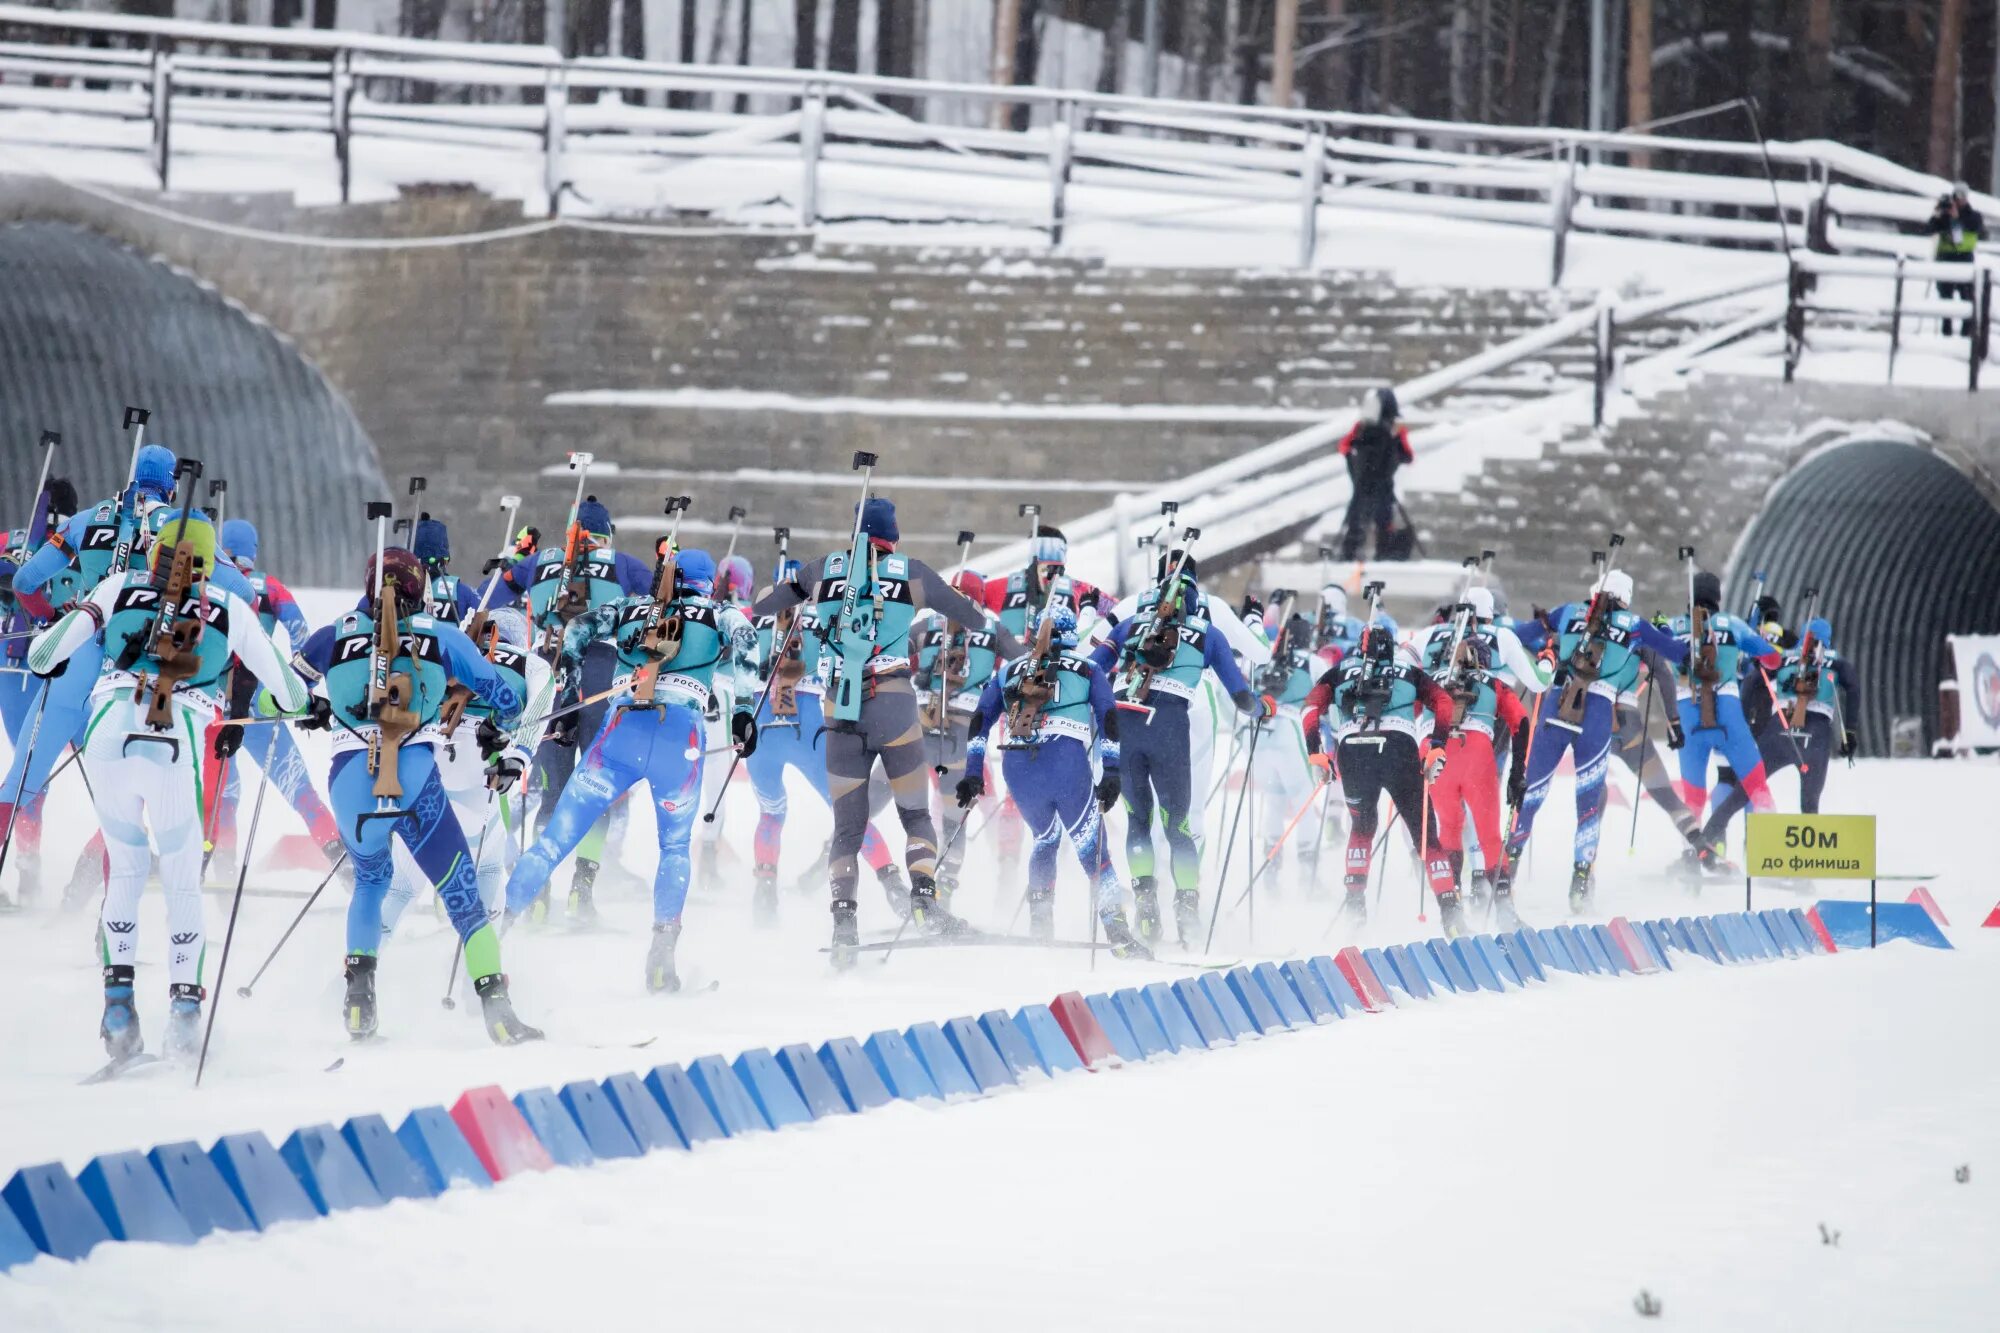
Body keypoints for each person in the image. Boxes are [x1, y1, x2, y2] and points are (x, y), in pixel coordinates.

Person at [28, 509, 309, 1061]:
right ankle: (184, 1016)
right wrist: (274, 701)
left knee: (126, 870)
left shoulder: (117, 585)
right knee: (181, 881)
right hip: (176, 743)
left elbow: (42, 658)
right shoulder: (230, 609)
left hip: (109, 734)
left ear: (154, 551)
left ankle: (117, 1008)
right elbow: (294, 696)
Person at [751, 498, 1020, 960]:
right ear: (891, 535)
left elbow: (763, 604)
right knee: (915, 814)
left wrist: (800, 593)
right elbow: (974, 617)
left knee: (847, 830)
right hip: (894, 703)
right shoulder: (910, 571)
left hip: (840, 709)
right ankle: (924, 903)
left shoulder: (821, 570)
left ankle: (843, 924)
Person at [295, 546, 538, 1044]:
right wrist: (495, 723)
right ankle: (497, 1010)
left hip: (349, 780)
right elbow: (506, 697)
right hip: (417, 778)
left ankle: (359, 1004)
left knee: (371, 880)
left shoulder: (329, 635)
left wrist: (316, 706)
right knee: (464, 896)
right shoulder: (441, 634)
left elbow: (273, 695)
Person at [504, 547, 758, 994]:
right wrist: (741, 711)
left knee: (554, 840)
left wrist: (566, 674)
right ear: (704, 582)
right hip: (680, 738)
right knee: (674, 847)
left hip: (620, 732)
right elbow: (748, 643)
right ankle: (662, 956)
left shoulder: (632, 606)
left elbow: (579, 626)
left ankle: (494, 940)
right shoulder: (720, 613)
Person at [1090, 552, 1266, 948]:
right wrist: (1262, 708)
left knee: (1138, 822)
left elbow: (1091, 666)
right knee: (1178, 825)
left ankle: (1147, 913)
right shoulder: (1208, 631)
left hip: (1123, 722)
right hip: (1169, 727)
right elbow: (1240, 696)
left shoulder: (1133, 624)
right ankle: (1187, 914)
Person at [957, 602, 1139, 954]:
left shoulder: (1009, 669)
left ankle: (1041, 926)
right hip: (1065, 760)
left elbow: (980, 719)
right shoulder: (1088, 669)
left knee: (1045, 838)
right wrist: (1113, 772)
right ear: (1071, 638)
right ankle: (1119, 934)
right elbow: (1109, 718)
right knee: (1092, 847)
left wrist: (972, 771)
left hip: (1018, 767)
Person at [503, 495, 650, 921]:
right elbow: (662, 603)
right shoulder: (621, 563)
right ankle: (581, 891)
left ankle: (537, 895)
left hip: (549, 673)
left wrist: (520, 557)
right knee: (597, 792)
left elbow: (496, 590)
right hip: (601, 674)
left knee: (550, 792)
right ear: (606, 535)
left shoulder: (543, 561)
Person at [1507, 570, 1688, 911]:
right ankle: (1580, 883)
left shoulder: (1567, 611)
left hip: (1555, 702)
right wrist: (1662, 627)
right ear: (1626, 597)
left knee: (1530, 792)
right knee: (1589, 800)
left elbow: (1519, 636)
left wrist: (1545, 647)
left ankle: (1505, 875)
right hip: (1599, 709)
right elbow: (1677, 654)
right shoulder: (1635, 624)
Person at [743, 560, 906, 924]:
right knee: (849, 814)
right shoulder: (828, 617)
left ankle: (765, 890)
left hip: (761, 726)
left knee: (770, 813)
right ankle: (892, 884)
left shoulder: (748, 618)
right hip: (810, 726)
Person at [202, 517, 346, 882]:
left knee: (225, 793)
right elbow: (301, 632)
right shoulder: (269, 587)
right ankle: (345, 868)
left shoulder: (214, 581)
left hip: (217, 704)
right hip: (261, 705)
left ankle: (222, 873)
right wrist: (300, 693)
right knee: (300, 790)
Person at [1299, 617, 1465, 935]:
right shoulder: (1408, 671)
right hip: (1399, 748)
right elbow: (1444, 701)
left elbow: (1309, 709)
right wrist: (1438, 745)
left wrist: (1315, 751)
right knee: (1424, 834)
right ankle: (1450, 910)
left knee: (1362, 827)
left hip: (1353, 750)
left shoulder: (1340, 672)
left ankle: (1354, 904)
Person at [1701, 616, 1859, 848]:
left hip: (1779, 729)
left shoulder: (1785, 657)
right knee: (1809, 804)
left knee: (1744, 790)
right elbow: (1854, 687)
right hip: (1816, 733)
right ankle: (1805, 869)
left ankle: (1706, 839)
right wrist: (1851, 732)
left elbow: (1754, 681)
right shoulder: (1836, 661)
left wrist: (1743, 718)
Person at [1665, 571, 1783, 849]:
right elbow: (1773, 660)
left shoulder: (1672, 625)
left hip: (1687, 713)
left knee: (1693, 796)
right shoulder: (1732, 623)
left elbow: (1645, 660)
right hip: (1728, 711)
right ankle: (1773, 854)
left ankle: (1690, 856)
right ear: (1718, 597)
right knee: (1757, 786)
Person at [1422, 632, 1529, 924]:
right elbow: (1521, 721)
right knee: (1489, 835)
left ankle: (1451, 905)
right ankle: (1505, 910)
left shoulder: (1432, 678)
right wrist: (1517, 773)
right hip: (1476, 753)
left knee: (1450, 826)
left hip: (1435, 751)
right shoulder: (1494, 682)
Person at [915, 569, 1006, 903]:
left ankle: (923, 883)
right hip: (965, 736)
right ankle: (958, 880)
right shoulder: (991, 625)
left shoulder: (928, 621)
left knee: (924, 806)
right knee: (970, 801)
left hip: (921, 728)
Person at [1337, 388, 1415, 560]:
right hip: (1381, 483)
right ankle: (1382, 553)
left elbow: (1344, 447)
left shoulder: (1362, 427)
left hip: (1364, 483)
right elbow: (1407, 456)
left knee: (1358, 518)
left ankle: (1349, 552)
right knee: (1381, 519)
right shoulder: (1394, 429)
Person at [1925, 183, 1986, 336]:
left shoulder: (1973, 215)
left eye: (1962, 196)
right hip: (1945, 258)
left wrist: (1957, 218)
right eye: (1956, 196)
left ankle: (1966, 334)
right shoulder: (1945, 215)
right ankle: (1946, 332)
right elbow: (1929, 229)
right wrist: (1938, 214)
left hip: (1964, 259)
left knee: (1967, 298)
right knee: (1946, 298)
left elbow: (1974, 227)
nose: (1959, 200)